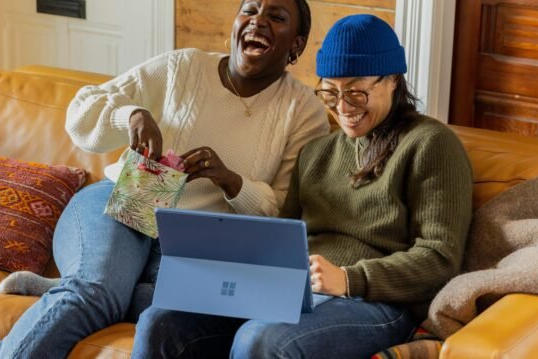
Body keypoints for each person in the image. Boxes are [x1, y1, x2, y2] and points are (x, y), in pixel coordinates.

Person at [0, 0, 329, 357]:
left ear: (297, 44)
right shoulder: (184, 66)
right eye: (250, 10)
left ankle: (72, 285)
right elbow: (81, 110)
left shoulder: (304, 113)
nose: (258, 22)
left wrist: (231, 182)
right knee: (97, 293)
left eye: (276, 16)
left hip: (196, 242)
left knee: (166, 303)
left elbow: (286, 214)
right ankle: (88, 285)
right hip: (126, 198)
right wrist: (131, 115)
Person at [133, 14, 474, 359]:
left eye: (356, 93)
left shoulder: (432, 144)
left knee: (260, 340)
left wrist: (348, 278)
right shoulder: (316, 152)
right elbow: (283, 235)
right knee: (158, 322)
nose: (342, 108)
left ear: (392, 81)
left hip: (376, 302)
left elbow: (439, 258)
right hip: (293, 290)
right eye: (330, 92)